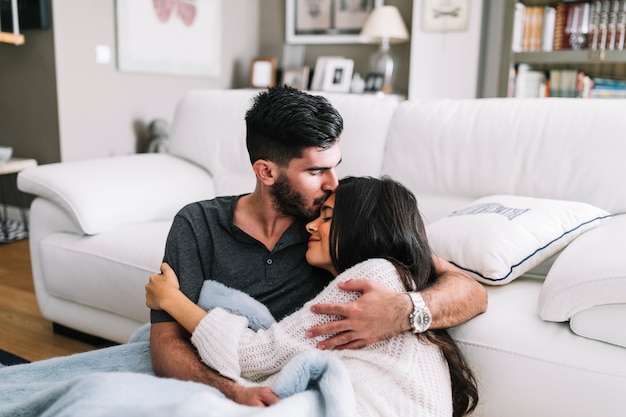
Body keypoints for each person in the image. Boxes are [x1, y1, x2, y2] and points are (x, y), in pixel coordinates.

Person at [149, 85, 487, 406]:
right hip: (245, 379)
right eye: (316, 171)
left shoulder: (343, 232)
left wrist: (402, 311)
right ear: (266, 172)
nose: (333, 184)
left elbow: (468, 290)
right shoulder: (198, 225)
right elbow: (166, 341)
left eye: (335, 167)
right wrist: (234, 394)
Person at [146, 176, 479, 417]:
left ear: (362, 228)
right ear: (267, 171)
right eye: (317, 170)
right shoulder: (395, 271)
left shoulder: (370, 276)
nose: (311, 224)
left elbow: (252, 356)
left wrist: (171, 300)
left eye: (328, 217)